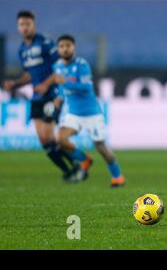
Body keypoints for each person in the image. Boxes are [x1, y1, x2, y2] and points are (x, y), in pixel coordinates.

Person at [35, 34, 125, 187]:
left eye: (68, 46)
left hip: (92, 113)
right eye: (62, 46)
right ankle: (84, 160)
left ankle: (117, 176)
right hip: (73, 113)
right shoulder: (57, 66)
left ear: (74, 47)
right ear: (58, 49)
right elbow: (62, 89)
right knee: (61, 139)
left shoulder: (81, 65)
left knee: (100, 146)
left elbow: (86, 87)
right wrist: (59, 98)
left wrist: (66, 83)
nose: (65, 49)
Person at [3, 10, 75, 181]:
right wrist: (15, 83)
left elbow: (59, 67)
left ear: (34, 25)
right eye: (21, 24)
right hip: (36, 97)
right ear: (18, 27)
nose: (25, 27)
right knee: (44, 141)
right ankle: (70, 169)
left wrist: (46, 84)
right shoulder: (22, 50)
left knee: (49, 136)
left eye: (28, 24)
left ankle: (78, 166)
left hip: (51, 94)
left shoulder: (45, 43)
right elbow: (30, 75)